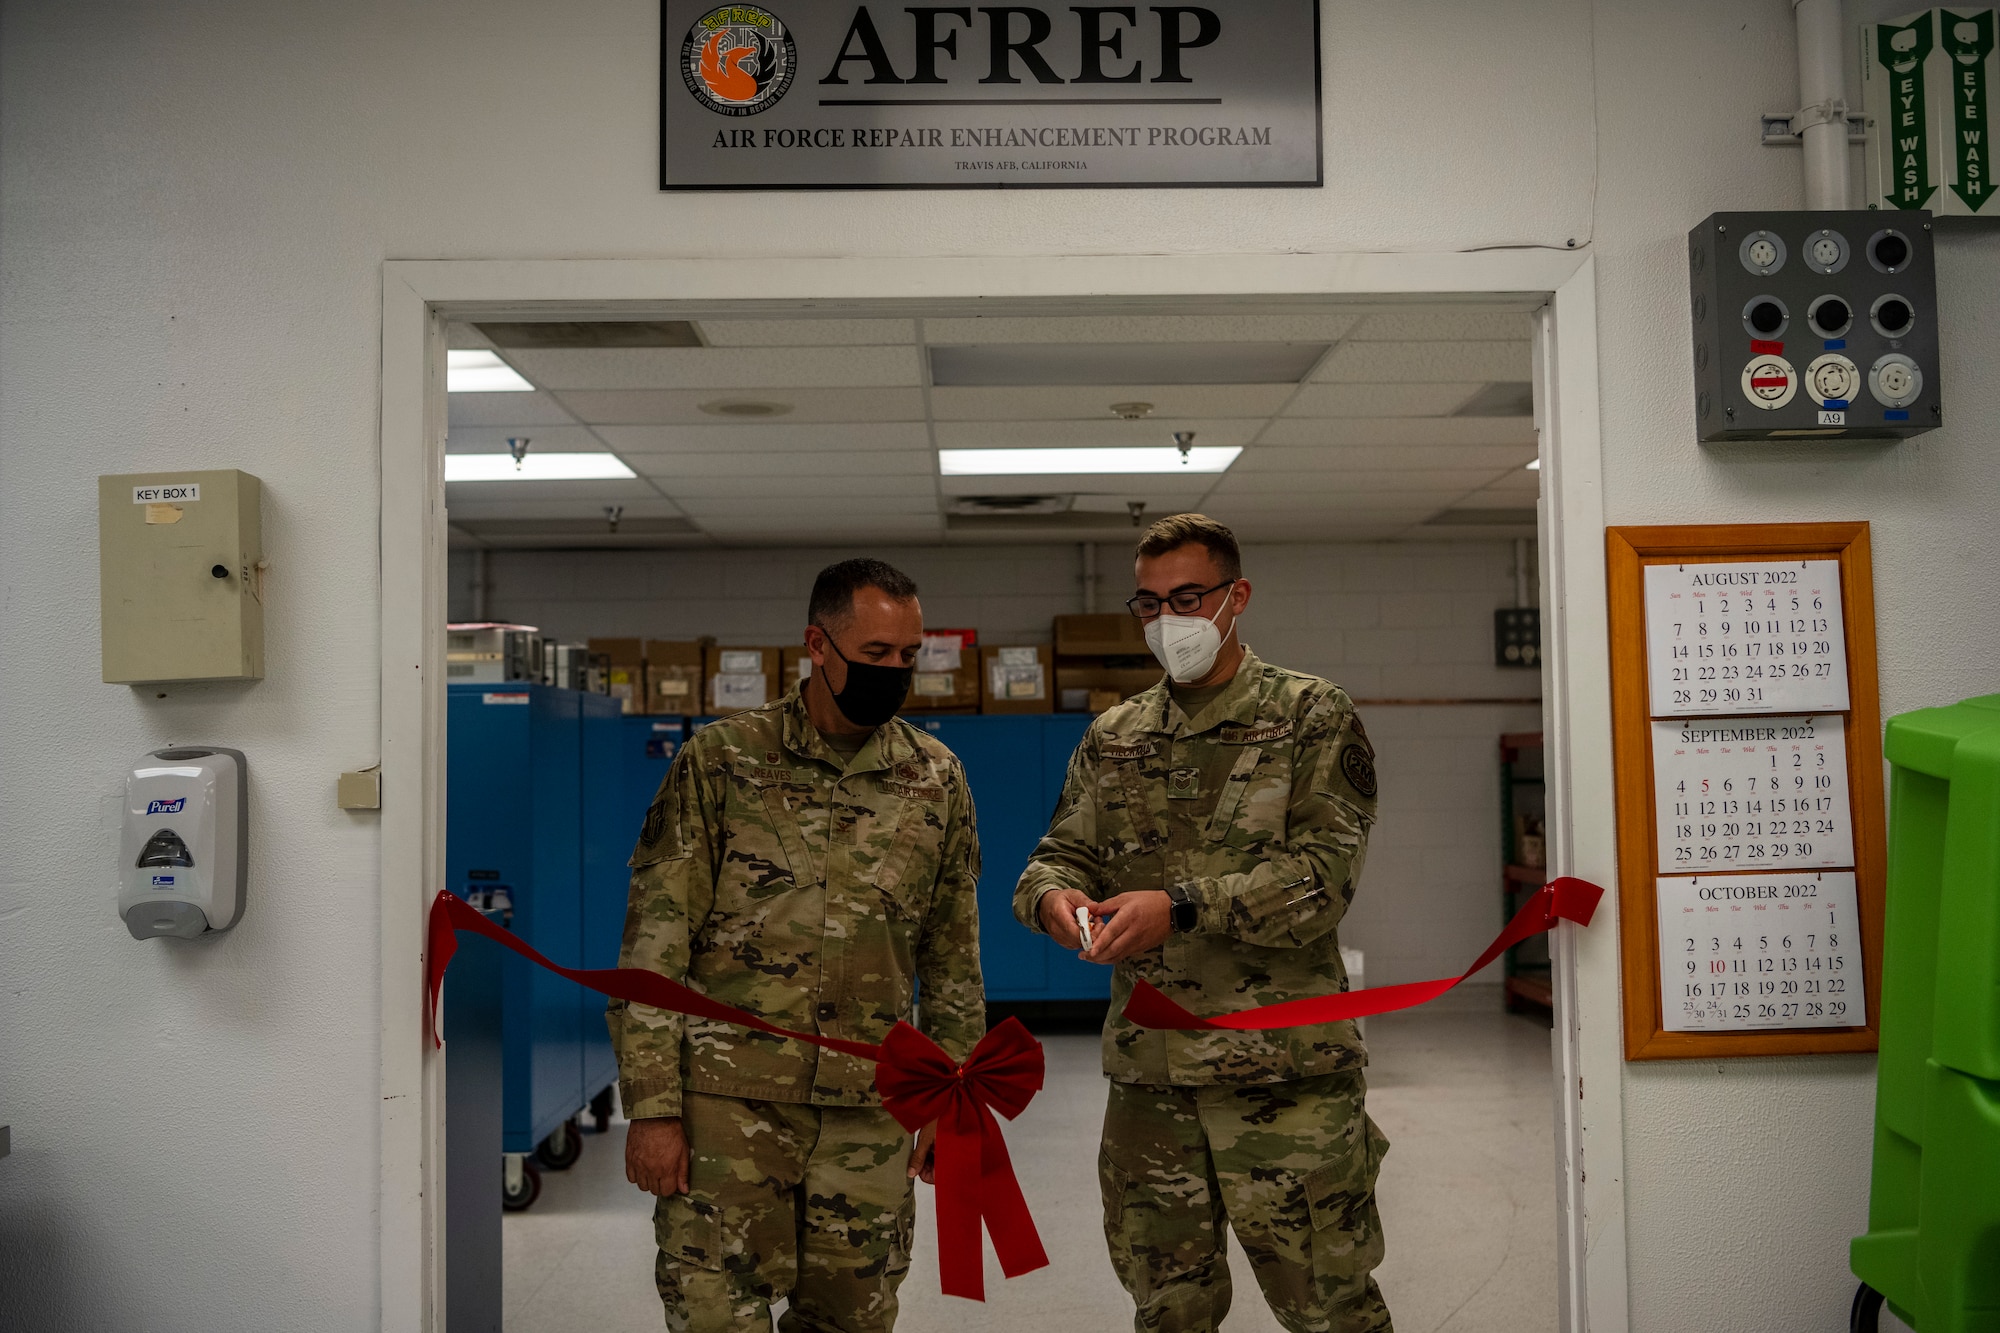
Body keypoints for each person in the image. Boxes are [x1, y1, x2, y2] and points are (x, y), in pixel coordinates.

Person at [1015, 514, 1391, 1333]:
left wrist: (1180, 906)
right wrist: (1057, 904)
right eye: (1148, 603)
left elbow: (1323, 881)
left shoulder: (1309, 715)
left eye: (1187, 596)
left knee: (1333, 1309)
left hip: (1286, 1081)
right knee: (1166, 1312)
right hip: (1155, 1086)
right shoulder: (1114, 737)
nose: (1166, 619)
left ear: (1236, 597)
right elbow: (1053, 860)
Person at [611, 557, 985, 1333]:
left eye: (909, 657)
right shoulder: (722, 762)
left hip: (866, 1115)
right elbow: (654, 948)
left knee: (854, 1321)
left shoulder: (936, 777)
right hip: (729, 1113)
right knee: (715, 1315)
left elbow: (952, 956)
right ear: (818, 644)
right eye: (876, 654)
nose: (895, 672)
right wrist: (651, 1109)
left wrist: (956, 1103)